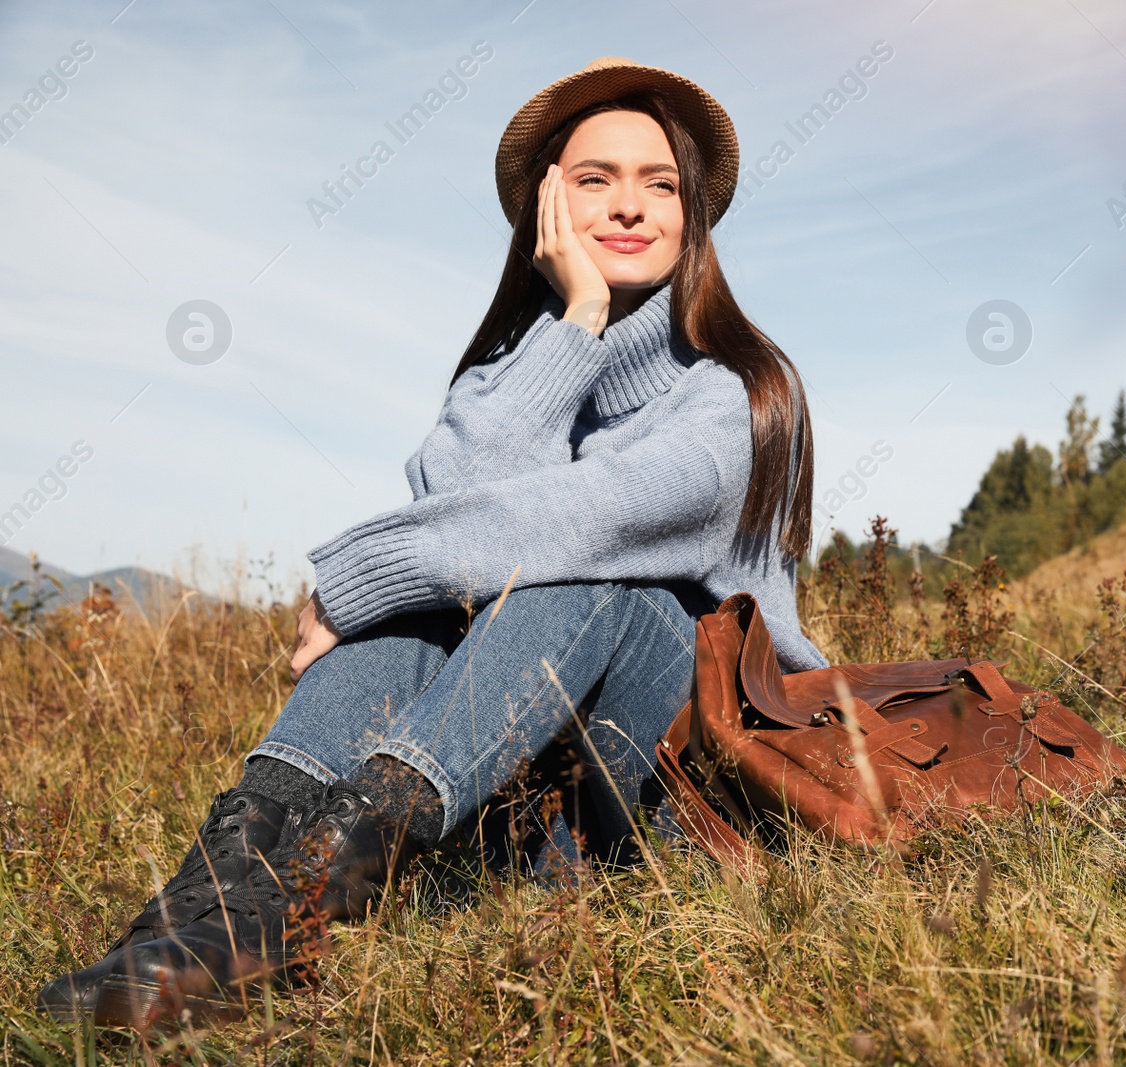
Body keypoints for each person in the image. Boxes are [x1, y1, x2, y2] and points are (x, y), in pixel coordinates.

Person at [37, 56, 825, 1030]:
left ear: (691, 212)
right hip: (543, 811)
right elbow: (454, 510)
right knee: (412, 614)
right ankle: (211, 898)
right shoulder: (510, 372)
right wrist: (572, 323)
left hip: (693, 782)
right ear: (545, 206)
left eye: (659, 183)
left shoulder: (732, 393)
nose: (629, 206)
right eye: (595, 179)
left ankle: (314, 892)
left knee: (589, 581)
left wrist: (350, 579)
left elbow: (581, 522)